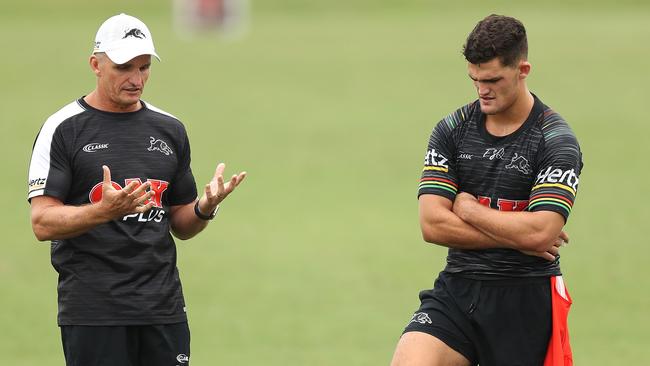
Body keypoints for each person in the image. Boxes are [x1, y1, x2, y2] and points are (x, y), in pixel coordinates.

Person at [27, 13, 246, 366]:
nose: (136, 79)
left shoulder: (169, 129)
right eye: (124, 67)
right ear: (95, 65)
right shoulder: (63, 129)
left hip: (163, 309)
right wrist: (103, 211)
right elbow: (42, 222)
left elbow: (181, 224)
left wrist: (205, 207)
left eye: (144, 67)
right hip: (94, 312)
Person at [390, 14, 582, 366]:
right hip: (457, 291)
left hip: (526, 302)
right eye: (475, 79)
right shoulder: (451, 130)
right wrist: (518, 234)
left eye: (493, 79)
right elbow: (433, 225)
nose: (482, 90)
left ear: (522, 70)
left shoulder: (556, 141)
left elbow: (542, 232)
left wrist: (467, 210)